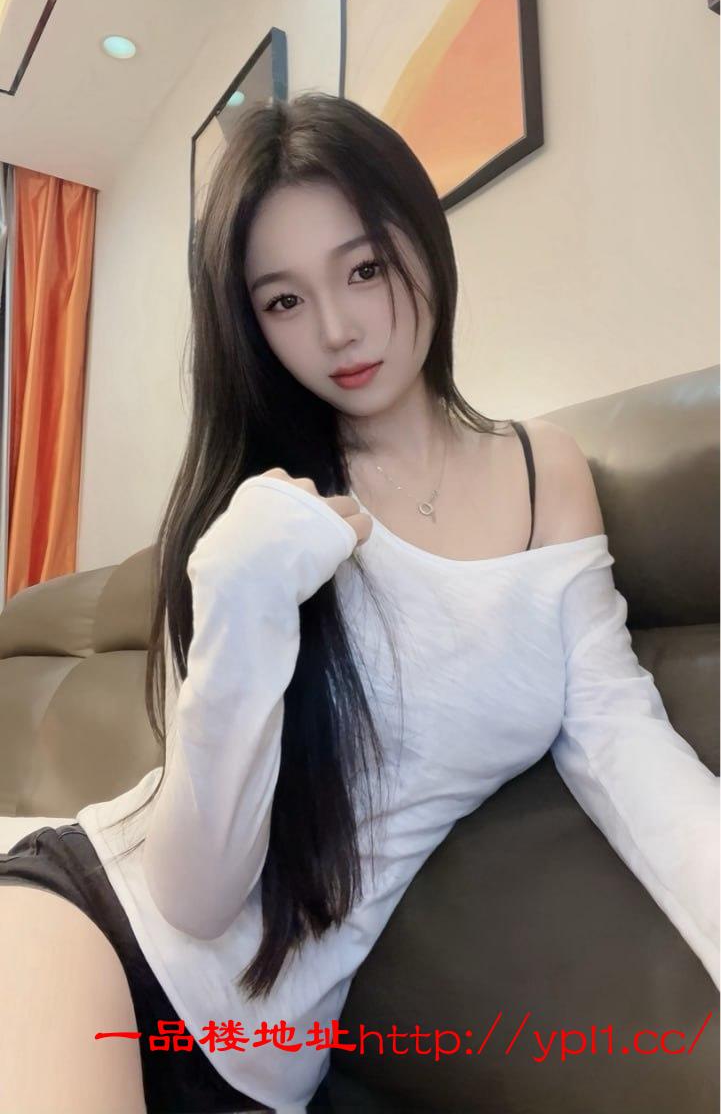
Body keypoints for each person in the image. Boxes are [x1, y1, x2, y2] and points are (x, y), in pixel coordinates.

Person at [1, 92, 718, 1114]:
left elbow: (622, 739)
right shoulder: (257, 513)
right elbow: (194, 899)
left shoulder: (544, 471)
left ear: (420, 244)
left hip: (265, 1066)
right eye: (283, 301)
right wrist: (241, 599)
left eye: (365, 268)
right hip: (93, 932)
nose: (337, 329)